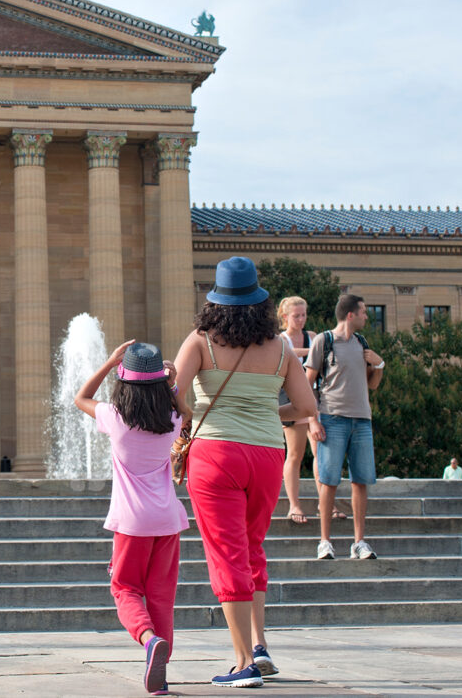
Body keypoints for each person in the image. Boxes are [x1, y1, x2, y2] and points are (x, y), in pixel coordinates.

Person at [173, 257, 324, 688]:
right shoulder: (279, 347)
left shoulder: (201, 340)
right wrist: (262, 413)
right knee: (252, 547)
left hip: (215, 454)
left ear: (216, 303)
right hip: (265, 455)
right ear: (259, 302)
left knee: (226, 554)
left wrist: (193, 415)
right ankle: (260, 645)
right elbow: (307, 409)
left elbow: (173, 395)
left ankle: (243, 664)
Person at [74, 340, 187, 696]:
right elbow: (187, 412)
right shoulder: (171, 420)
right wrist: (172, 383)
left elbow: (81, 398)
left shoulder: (115, 417)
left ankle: (149, 640)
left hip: (132, 522)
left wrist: (109, 363)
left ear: (125, 381)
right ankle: (161, 675)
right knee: (161, 596)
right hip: (168, 520)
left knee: (124, 589)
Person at [304, 293, 385, 561]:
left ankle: (359, 542)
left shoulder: (362, 343)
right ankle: (324, 541)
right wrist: (312, 419)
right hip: (332, 418)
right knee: (328, 482)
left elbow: (372, 385)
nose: (366, 316)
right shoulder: (323, 341)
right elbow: (307, 384)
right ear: (350, 314)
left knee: (361, 481)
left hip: (362, 420)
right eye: (363, 312)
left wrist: (379, 364)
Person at [276, 296, 320, 525]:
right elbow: (293, 355)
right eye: (296, 315)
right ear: (285, 317)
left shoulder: (312, 337)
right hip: (291, 400)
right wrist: (313, 352)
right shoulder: (281, 340)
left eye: (303, 315)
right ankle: (294, 504)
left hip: (314, 399)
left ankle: (326, 503)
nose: (301, 319)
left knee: (320, 453)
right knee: (294, 454)